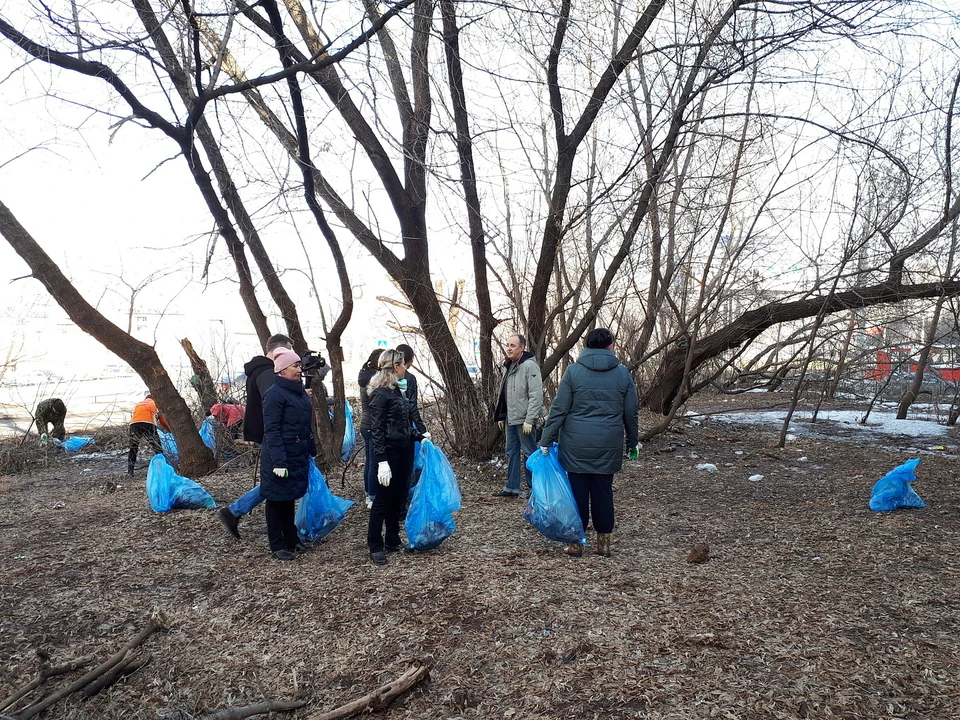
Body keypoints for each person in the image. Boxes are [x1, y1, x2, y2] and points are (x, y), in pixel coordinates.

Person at [538, 328, 639, 558]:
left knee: (577, 493)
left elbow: (559, 410)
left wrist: (546, 439)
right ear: (611, 346)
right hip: (608, 443)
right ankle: (603, 544)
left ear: (585, 346)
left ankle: (576, 543)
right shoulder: (622, 374)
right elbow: (631, 412)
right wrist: (633, 442)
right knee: (603, 492)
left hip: (575, 444)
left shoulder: (573, 372)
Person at [218, 333, 293, 540]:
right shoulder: (267, 372)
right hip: (273, 434)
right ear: (278, 351)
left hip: (268, 433)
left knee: (281, 480)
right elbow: (275, 402)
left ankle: (235, 512)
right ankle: (234, 511)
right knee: (277, 481)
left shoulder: (260, 369)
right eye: (288, 351)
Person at [366, 349, 430, 565]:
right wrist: (382, 461)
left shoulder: (397, 392)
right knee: (383, 499)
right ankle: (375, 544)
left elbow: (402, 425)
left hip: (403, 450)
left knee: (398, 497)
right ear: (395, 367)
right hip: (389, 454)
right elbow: (377, 430)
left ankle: (392, 539)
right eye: (402, 364)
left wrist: (419, 437)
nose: (405, 368)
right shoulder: (380, 395)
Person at [259, 347, 316, 560]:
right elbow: (272, 430)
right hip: (279, 457)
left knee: (289, 498)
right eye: (295, 365)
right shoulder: (274, 394)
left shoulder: (298, 392)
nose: (299, 369)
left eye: (299, 365)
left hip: (296, 453)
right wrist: (279, 462)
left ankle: (292, 539)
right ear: (282, 370)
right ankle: (277, 544)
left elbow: (304, 424)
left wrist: (311, 448)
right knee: (276, 500)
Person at [492, 334, 543, 498]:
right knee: (511, 452)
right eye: (507, 345)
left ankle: (533, 488)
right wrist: (501, 416)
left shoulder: (529, 366)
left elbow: (536, 395)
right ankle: (512, 487)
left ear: (522, 348)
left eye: (513, 345)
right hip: (510, 418)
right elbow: (503, 394)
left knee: (529, 452)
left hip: (524, 419)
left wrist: (530, 419)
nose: (509, 348)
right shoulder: (510, 366)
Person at [358, 348, 385, 509]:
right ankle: (373, 496)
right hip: (372, 425)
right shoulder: (374, 380)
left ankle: (369, 493)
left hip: (365, 424)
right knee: (374, 462)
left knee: (369, 461)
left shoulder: (364, 375)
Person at [128, 392, 170, 476]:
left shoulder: (139, 404)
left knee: (133, 448)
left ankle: (130, 471)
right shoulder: (156, 403)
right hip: (149, 424)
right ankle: (162, 468)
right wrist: (169, 430)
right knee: (157, 448)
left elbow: (135, 415)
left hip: (134, 424)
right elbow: (162, 421)